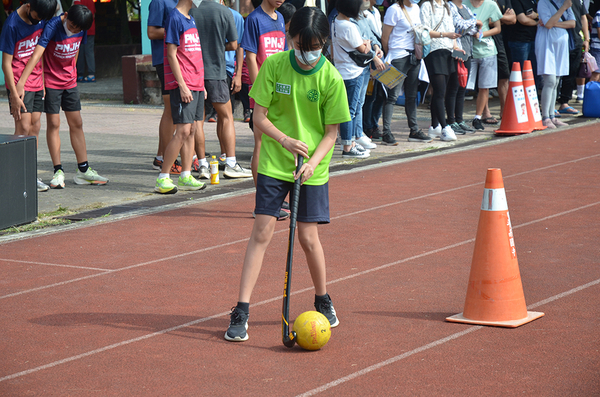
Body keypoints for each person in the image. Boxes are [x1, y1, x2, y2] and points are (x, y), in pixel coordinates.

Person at [224, 7, 350, 342]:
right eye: (300, 45)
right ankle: (241, 310)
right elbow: (259, 118)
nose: (307, 53)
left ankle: (323, 299)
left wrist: (312, 163)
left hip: (312, 167)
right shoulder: (276, 66)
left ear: (324, 42)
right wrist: (283, 140)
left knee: (308, 238)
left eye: (315, 47)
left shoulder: (331, 79)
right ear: (290, 37)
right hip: (275, 163)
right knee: (261, 232)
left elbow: (331, 133)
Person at [15, 5, 109, 189]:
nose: (74, 30)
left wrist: (72, 72)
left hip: (70, 82)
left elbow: (76, 52)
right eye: (72, 26)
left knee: (77, 123)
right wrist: (22, 82)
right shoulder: (52, 26)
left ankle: (83, 170)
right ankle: (58, 171)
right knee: (54, 124)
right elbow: (37, 55)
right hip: (51, 83)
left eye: (77, 29)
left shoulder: (81, 27)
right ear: (66, 15)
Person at [191, 0, 252, 179]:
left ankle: (201, 164)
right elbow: (234, 45)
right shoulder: (225, 12)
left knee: (198, 120)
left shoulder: (192, 12)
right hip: (217, 73)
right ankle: (231, 163)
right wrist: (217, 47)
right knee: (226, 117)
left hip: (196, 73)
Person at [0, 0, 57, 192]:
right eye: (36, 18)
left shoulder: (40, 17)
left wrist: (41, 80)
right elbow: (6, 63)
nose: (37, 22)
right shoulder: (12, 24)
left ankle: (31, 174)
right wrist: (14, 94)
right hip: (17, 81)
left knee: (35, 126)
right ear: (28, 6)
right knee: (22, 126)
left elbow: (37, 53)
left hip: (35, 79)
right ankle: (18, 175)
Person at [154, 0, 206, 193]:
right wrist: (182, 85)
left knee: (191, 129)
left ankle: (186, 174)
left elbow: (194, 55)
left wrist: (201, 84)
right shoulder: (175, 18)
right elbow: (171, 54)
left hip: (196, 83)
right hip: (183, 84)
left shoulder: (190, 19)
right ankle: (163, 176)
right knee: (183, 131)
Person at [242, 0, 287, 184]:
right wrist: (261, 91)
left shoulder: (281, 17)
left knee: (278, 144)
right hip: (263, 92)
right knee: (260, 142)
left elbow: (283, 56)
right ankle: (261, 199)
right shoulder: (254, 19)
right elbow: (251, 58)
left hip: (281, 91)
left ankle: (275, 196)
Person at [331, 0, 381, 155]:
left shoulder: (335, 22)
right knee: (351, 110)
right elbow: (363, 49)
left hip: (341, 69)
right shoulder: (349, 26)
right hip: (353, 71)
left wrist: (364, 43)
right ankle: (348, 145)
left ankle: (350, 142)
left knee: (348, 109)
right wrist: (366, 42)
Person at [381, 0, 433, 143]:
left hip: (414, 56)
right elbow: (385, 37)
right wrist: (389, 54)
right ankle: (386, 133)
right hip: (398, 56)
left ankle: (414, 130)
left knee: (411, 96)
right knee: (392, 96)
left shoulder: (416, 8)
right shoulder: (394, 10)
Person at [147, 0, 182, 175]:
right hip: (165, 60)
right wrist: (177, 29)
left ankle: (161, 156)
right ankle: (167, 159)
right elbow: (151, 32)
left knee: (174, 110)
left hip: (180, 59)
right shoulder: (159, 2)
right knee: (171, 110)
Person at [421, 0, 460, 141]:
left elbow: (452, 30)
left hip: (448, 51)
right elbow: (425, 31)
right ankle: (445, 127)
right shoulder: (426, 5)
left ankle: (434, 126)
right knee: (439, 90)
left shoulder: (447, 5)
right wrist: (445, 35)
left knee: (442, 91)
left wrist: (456, 47)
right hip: (434, 51)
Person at [535, 0, 575, 128]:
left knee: (556, 82)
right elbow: (547, 24)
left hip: (561, 46)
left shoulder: (566, 3)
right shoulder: (544, 2)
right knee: (550, 81)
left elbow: (572, 23)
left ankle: (552, 115)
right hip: (547, 44)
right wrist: (563, 8)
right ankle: (545, 117)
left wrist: (555, 23)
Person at [464, 0, 503, 131]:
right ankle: (455, 118)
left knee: (484, 87)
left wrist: (482, 34)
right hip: (467, 50)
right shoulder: (463, 3)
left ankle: (477, 117)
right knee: (462, 86)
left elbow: (498, 28)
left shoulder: (491, 4)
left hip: (487, 50)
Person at [446, 0, 479, 134]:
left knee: (462, 87)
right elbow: (458, 26)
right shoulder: (450, 6)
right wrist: (474, 21)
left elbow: (474, 30)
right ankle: (451, 120)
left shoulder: (465, 7)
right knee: (453, 87)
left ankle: (459, 120)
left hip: (468, 51)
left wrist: (472, 23)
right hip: (456, 50)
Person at [556, 0, 589, 115]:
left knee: (572, 72)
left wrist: (586, 39)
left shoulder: (578, 1)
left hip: (576, 39)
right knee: (557, 73)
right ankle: (551, 105)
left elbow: (583, 17)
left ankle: (564, 102)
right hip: (559, 38)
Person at [73, 0, 95, 83]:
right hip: (91, 28)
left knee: (80, 50)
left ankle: (80, 74)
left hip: (79, 29)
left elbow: (76, 13)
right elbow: (93, 14)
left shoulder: (78, 0)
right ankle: (91, 74)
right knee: (89, 51)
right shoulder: (91, 1)